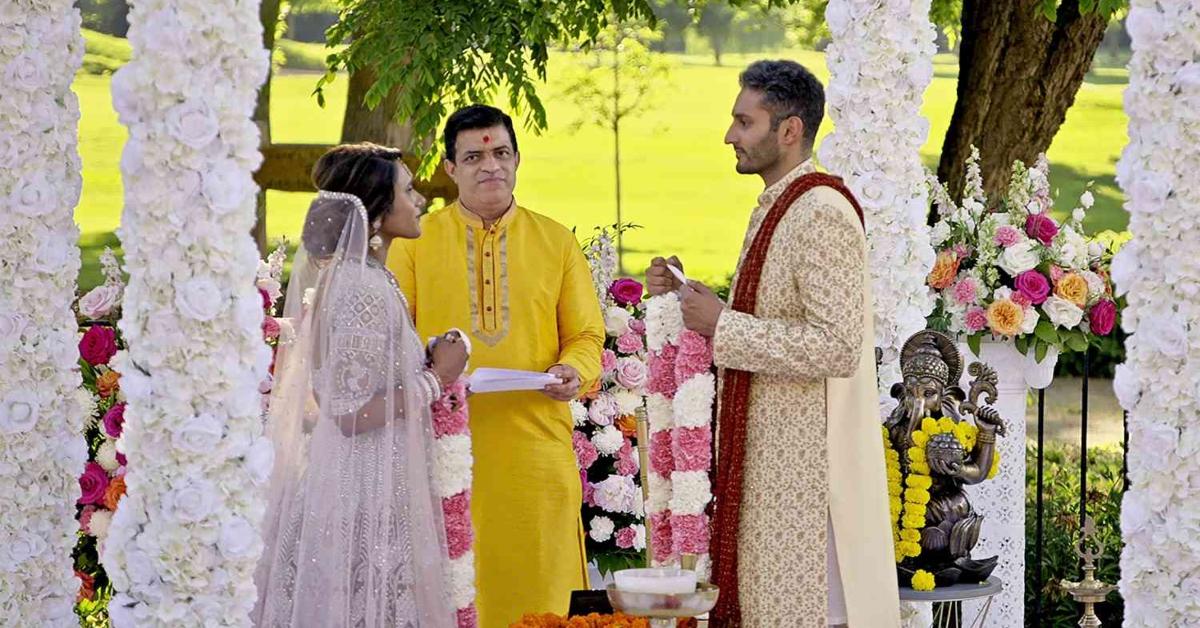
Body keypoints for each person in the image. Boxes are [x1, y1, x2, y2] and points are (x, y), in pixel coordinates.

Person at [645, 60, 900, 627]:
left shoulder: (821, 212)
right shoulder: (781, 205)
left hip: (803, 472)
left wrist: (722, 325)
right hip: (768, 460)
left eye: (744, 121)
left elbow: (838, 346)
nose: (729, 135)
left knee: (796, 612)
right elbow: (777, 316)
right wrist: (696, 298)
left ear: (788, 131)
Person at [388, 105, 605, 627]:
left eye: (501, 153)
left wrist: (574, 369)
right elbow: (393, 340)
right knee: (458, 590)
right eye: (475, 156)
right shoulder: (416, 242)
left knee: (543, 594)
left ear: (517, 160)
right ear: (449, 168)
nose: (491, 165)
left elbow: (585, 335)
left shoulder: (555, 241)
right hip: (446, 449)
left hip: (536, 451)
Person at [254, 143, 469, 627]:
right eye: (408, 190)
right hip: (362, 487)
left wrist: (424, 360)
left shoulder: (367, 278)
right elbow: (350, 412)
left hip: (374, 477)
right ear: (373, 213)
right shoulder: (360, 287)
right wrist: (438, 379)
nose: (421, 201)